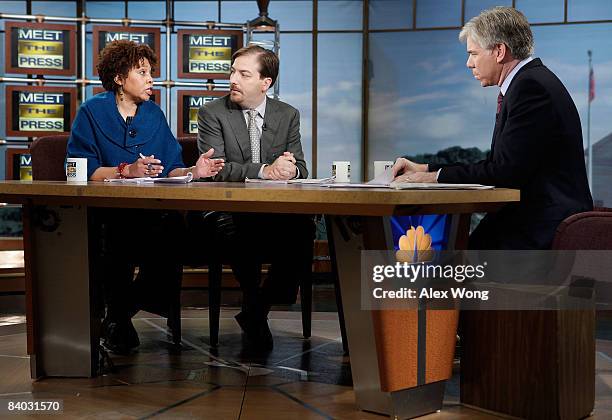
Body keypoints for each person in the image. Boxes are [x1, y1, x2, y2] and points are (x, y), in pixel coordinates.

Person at [66, 40, 224, 354]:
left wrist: (196, 169)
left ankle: (118, 313)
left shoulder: (154, 114)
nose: (151, 78)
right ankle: (119, 317)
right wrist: (126, 170)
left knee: (173, 232)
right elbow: (78, 170)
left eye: (150, 71)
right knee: (116, 233)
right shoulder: (92, 111)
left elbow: (172, 169)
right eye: (142, 72)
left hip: (152, 213)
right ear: (119, 79)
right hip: (106, 214)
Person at [391, 7, 592, 250]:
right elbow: (503, 164)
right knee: (452, 260)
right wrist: (425, 168)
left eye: (473, 53)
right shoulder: (529, 82)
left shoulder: (530, 88)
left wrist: (430, 178)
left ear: (499, 51)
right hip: (531, 221)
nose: (468, 64)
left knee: (450, 265)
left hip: (541, 228)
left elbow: (504, 171)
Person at [197, 45, 314, 350]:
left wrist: (290, 170)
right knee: (241, 230)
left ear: (266, 83)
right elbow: (216, 169)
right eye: (232, 72)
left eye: (243, 74)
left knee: (303, 229)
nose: (233, 79)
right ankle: (255, 305)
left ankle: (256, 309)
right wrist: (266, 170)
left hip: (273, 212)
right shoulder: (212, 113)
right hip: (227, 212)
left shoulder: (288, 114)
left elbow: (301, 167)